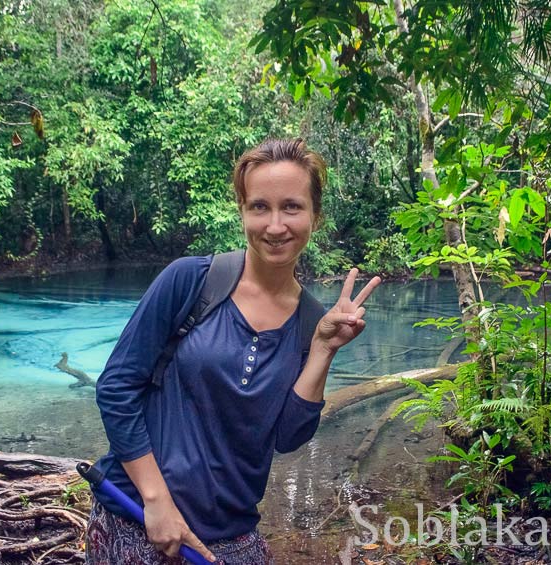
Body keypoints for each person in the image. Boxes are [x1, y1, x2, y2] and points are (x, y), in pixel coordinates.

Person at [85, 138, 381, 564]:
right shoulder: (190, 282)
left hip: (230, 534)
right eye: (260, 206)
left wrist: (322, 350)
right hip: (137, 519)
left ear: (315, 216)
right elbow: (116, 388)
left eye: (292, 207)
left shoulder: (310, 321)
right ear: (242, 210)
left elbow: (287, 437)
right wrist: (157, 501)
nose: (275, 225)